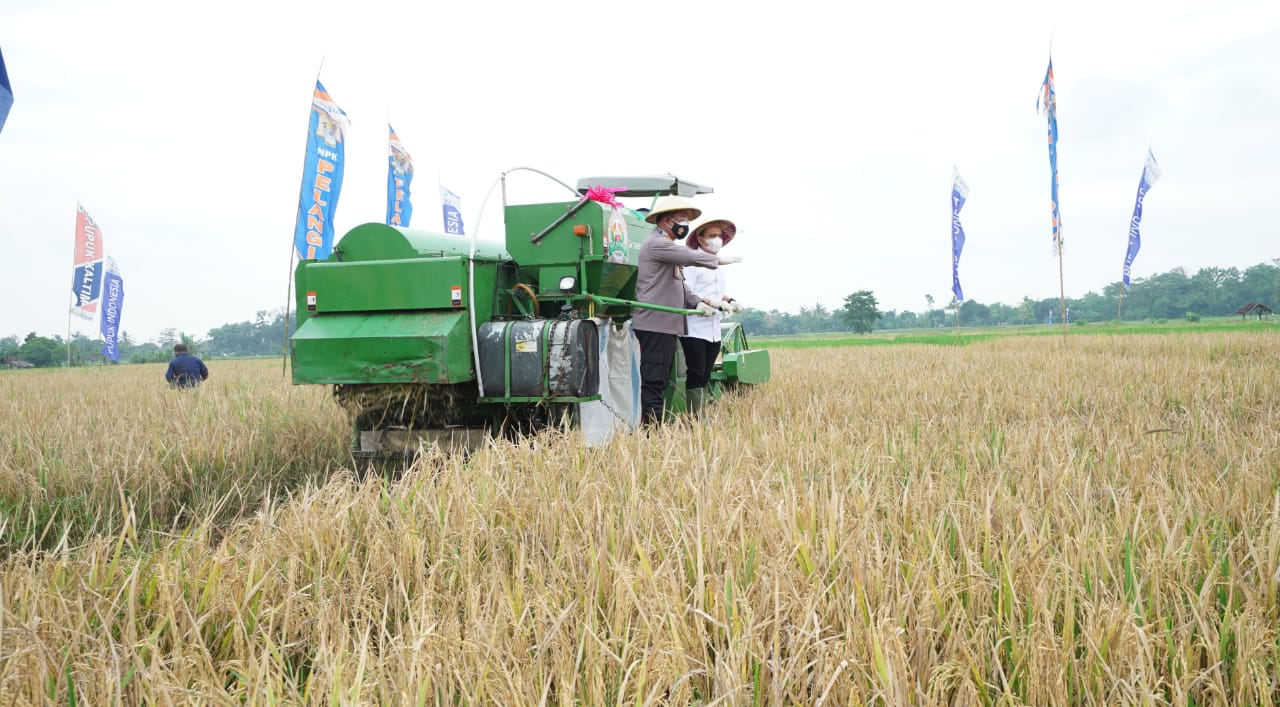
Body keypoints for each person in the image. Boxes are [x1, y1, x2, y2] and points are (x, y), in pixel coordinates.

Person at [632, 196, 741, 425]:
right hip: (655, 322)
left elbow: (680, 285)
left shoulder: (667, 248)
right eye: (680, 219)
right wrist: (717, 260)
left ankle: (656, 426)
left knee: (660, 379)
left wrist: (700, 302)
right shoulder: (657, 244)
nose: (684, 224)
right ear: (664, 222)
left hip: (665, 324)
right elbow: (689, 256)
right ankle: (651, 430)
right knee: (654, 380)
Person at [680, 217, 742, 414]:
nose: (717, 239)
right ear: (700, 239)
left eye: (719, 236)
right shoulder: (691, 263)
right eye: (712, 236)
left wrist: (730, 300)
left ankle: (703, 412)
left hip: (714, 328)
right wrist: (707, 302)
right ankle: (695, 417)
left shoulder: (718, 266)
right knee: (696, 372)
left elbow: (715, 292)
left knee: (706, 372)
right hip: (694, 326)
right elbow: (686, 290)